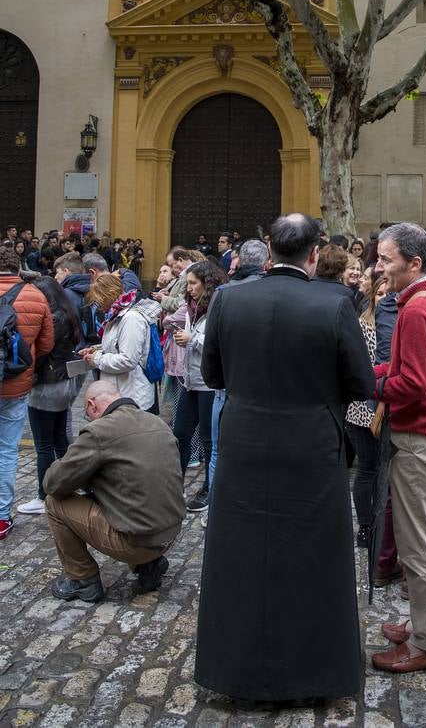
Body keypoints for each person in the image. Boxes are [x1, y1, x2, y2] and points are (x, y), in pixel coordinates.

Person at [195, 213, 374, 703]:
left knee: (241, 558)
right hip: (312, 443)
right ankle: (314, 673)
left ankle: (235, 672)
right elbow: (361, 382)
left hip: (246, 440)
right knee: (312, 559)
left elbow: (213, 374)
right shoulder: (337, 302)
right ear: (314, 254)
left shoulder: (229, 298)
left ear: (268, 251)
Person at [370, 223, 426, 674]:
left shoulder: (418, 310)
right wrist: (372, 369)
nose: (378, 266)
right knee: (419, 541)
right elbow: (406, 365)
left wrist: (368, 384)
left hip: (422, 438)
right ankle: (424, 622)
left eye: (386, 259)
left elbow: (413, 383)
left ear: (415, 264)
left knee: (420, 546)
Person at [44, 381, 186, 602]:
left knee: (55, 503)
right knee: (126, 490)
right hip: (170, 535)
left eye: (87, 414)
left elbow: (53, 483)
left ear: (92, 405)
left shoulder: (99, 431)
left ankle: (83, 579)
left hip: (137, 542)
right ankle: (148, 565)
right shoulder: (157, 422)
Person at [0, 247, 54, 540]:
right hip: (17, 382)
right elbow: (46, 343)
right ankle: (1, 516)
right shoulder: (34, 294)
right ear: (18, 267)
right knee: (7, 449)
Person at [17, 277, 81, 515]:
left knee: (44, 445)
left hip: (47, 385)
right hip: (63, 383)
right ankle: (67, 488)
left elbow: (42, 352)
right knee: (59, 441)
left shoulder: (53, 319)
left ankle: (44, 496)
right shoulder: (68, 313)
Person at [172, 261, 228, 511]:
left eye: (194, 283)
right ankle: (175, 485)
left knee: (208, 440)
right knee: (180, 434)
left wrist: (193, 339)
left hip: (208, 383)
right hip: (189, 381)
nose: (190, 288)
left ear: (208, 284)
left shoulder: (217, 309)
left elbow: (221, 343)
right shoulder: (190, 308)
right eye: (188, 283)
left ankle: (208, 488)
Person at [345, 276, 387, 547]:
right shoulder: (362, 325)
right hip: (362, 409)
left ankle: (384, 525)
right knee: (367, 468)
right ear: (372, 297)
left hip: (391, 406)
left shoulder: (398, 324)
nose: (384, 298)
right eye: (379, 294)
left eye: (388, 293)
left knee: (386, 471)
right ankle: (365, 525)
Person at [80, 273, 161, 412]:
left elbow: (128, 360)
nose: (98, 306)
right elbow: (118, 344)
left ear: (110, 294)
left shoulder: (131, 318)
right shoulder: (118, 314)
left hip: (133, 396)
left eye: (99, 300)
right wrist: (96, 349)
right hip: (123, 392)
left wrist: (96, 359)